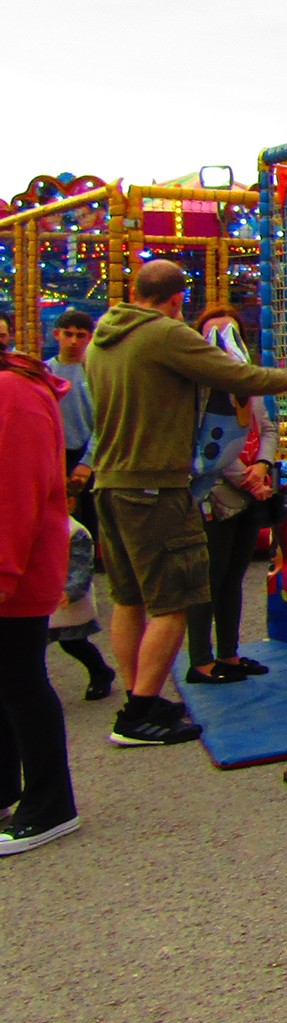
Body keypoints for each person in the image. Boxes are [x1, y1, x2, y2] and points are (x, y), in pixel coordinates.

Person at [85, 260, 287, 747]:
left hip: (110, 482)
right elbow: (235, 375)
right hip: (155, 486)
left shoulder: (104, 338)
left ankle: (136, 695)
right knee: (177, 597)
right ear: (176, 301)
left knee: (128, 598)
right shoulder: (165, 335)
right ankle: (140, 713)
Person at [0, 350, 81, 853]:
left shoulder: (13, 394)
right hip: (15, 564)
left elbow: (15, 493)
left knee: (20, 681)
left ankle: (50, 804)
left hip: (17, 569)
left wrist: (4, 571)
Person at [186, 304, 280, 684]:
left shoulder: (249, 385)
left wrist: (262, 466)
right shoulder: (200, 390)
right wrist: (247, 477)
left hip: (247, 494)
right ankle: (200, 659)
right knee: (209, 578)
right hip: (215, 494)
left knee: (233, 578)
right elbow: (207, 446)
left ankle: (229, 651)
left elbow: (269, 429)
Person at [45, 309, 97, 546]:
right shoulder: (44, 373)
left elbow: (103, 422)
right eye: (68, 334)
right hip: (52, 454)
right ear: (57, 334)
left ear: (89, 337)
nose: (74, 341)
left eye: (80, 335)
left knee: (90, 521)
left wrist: (87, 461)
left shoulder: (95, 373)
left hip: (88, 454)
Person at [48, 517, 115, 700]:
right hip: (39, 597)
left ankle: (100, 671)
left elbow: (81, 566)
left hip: (65, 601)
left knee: (74, 643)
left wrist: (71, 591)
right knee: (29, 648)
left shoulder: (75, 532)